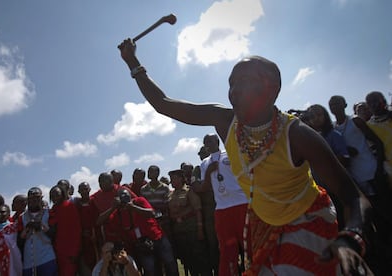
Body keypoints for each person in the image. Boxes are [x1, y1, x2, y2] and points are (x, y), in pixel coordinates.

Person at [118, 39, 373, 275]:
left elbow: (353, 196)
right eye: (231, 83)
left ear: (270, 88)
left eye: (242, 81)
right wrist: (133, 63)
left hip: (306, 221)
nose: (233, 90)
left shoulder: (297, 135)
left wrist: (350, 237)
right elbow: (164, 104)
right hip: (263, 225)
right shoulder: (225, 121)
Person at [197, 133, 250, 276]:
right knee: (227, 249)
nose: (208, 143)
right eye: (205, 141)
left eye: (210, 140)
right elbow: (204, 187)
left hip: (241, 203)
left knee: (249, 245)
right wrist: (208, 172)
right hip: (221, 208)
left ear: (217, 141)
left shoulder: (230, 154)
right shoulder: (204, 163)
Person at [97, 188, 179, 276]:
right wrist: (113, 207)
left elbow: (152, 213)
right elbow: (99, 221)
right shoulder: (117, 213)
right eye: (121, 198)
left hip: (158, 238)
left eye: (126, 196)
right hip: (142, 244)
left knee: (170, 263)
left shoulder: (139, 201)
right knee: (150, 269)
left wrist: (133, 207)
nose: (125, 200)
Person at [306, 104, 350, 229]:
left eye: (319, 114)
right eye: (312, 116)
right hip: (319, 188)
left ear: (325, 115)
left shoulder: (333, 135)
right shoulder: (307, 138)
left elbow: (344, 158)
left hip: (335, 186)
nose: (315, 118)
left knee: (341, 217)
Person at [168, 169, 211, 276]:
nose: (172, 181)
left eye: (174, 179)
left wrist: (200, 230)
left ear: (181, 179)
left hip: (191, 229)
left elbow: (197, 210)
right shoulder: (171, 195)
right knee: (188, 260)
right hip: (179, 231)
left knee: (200, 258)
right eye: (171, 179)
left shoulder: (189, 191)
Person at [192, 145, 219, 276]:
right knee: (212, 244)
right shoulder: (197, 170)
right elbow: (197, 187)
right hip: (208, 211)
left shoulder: (219, 163)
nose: (202, 156)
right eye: (201, 154)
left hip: (222, 206)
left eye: (205, 153)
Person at [17, 187, 58, 276]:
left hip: (47, 258)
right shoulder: (22, 217)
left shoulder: (49, 213)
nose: (34, 200)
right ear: (28, 200)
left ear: (41, 198)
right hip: (28, 262)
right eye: (31, 198)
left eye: (37, 198)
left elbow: (54, 235)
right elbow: (19, 241)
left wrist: (41, 226)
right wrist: (27, 228)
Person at [92, 172, 137, 247]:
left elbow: (137, 202)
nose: (101, 184)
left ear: (111, 181)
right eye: (100, 182)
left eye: (104, 181)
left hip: (128, 231)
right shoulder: (95, 197)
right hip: (110, 235)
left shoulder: (123, 190)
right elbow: (97, 220)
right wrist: (113, 208)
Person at [49, 185, 82, 276]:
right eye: (53, 195)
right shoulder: (53, 210)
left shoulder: (70, 206)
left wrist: (75, 252)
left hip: (70, 252)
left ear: (62, 195)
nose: (55, 197)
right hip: (57, 251)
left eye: (57, 194)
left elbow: (77, 230)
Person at [365, 91, 392, 187]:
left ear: (384, 101)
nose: (373, 104)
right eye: (370, 102)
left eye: (376, 101)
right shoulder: (368, 126)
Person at [74, 182, 99, 276]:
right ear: (79, 191)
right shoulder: (76, 205)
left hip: (96, 240)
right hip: (83, 242)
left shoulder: (95, 201)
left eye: (86, 189)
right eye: (82, 189)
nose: (84, 191)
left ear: (89, 189)